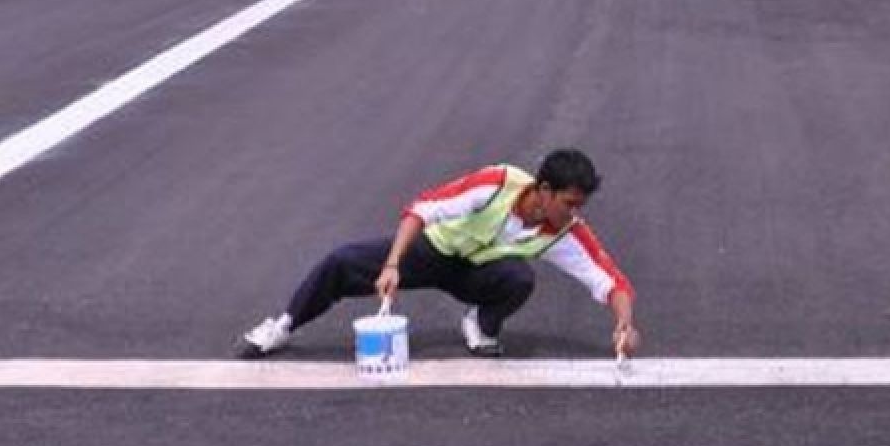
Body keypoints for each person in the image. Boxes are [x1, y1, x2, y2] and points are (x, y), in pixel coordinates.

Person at [239, 148, 639, 360]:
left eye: (579, 205)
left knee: (519, 278)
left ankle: (480, 326)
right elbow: (422, 208)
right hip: (434, 250)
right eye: (569, 202)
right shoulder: (497, 183)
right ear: (545, 190)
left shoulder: (567, 231)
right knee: (341, 262)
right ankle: (283, 326)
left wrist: (623, 324)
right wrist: (394, 263)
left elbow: (611, 283)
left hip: (475, 275)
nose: (574, 212)